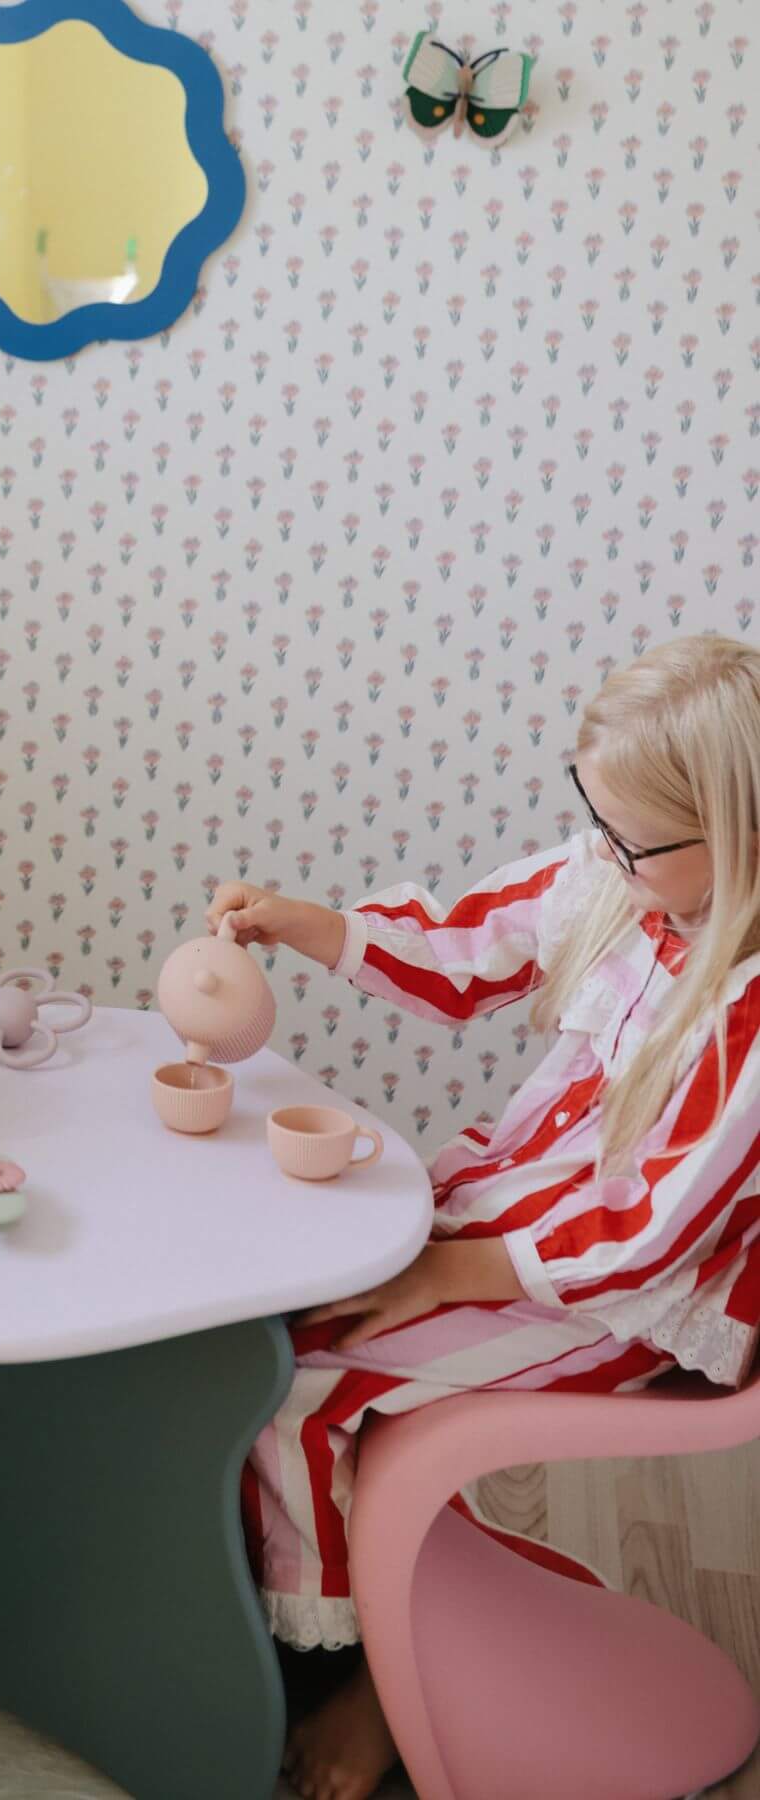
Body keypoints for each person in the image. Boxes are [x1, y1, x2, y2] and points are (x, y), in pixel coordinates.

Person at [209, 636, 760, 1800]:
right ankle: (262, 1594)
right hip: (521, 1213)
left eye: (637, 840)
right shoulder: (627, 877)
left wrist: (447, 1273)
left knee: (304, 1375)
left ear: (740, 832)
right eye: (594, 821)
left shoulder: (749, 1010)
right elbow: (470, 944)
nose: (605, 856)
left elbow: (648, 1235)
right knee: (260, 1303)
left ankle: (353, 1680)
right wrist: (308, 923)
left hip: (622, 1295)